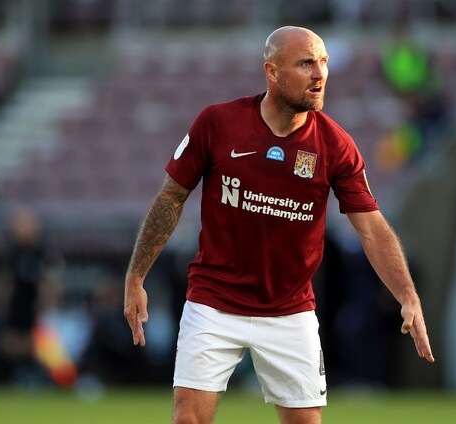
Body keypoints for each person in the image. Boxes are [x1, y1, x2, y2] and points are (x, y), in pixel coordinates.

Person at [124, 26, 434, 424]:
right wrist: (136, 276)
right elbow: (171, 197)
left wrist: (407, 294)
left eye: (323, 62)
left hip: (290, 311)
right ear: (272, 72)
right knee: (189, 420)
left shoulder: (335, 146)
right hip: (213, 302)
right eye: (305, 64)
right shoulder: (218, 123)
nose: (319, 74)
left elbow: (372, 229)